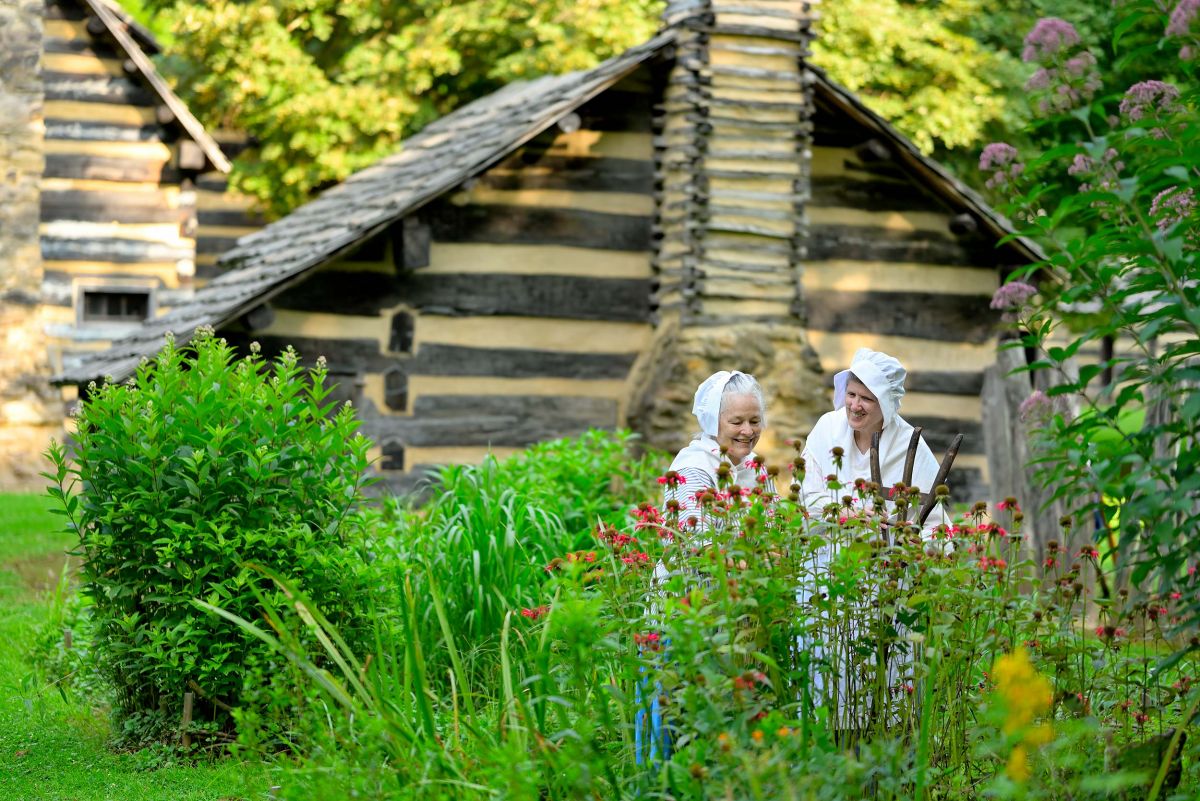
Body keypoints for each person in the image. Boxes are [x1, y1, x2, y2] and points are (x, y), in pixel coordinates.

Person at [636, 369, 771, 766]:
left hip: (735, 622)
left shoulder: (757, 470)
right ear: (714, 421)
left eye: (754, 420)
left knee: (721, 731)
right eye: (737, 421)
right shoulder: (694, 468)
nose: (747, 431)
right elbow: (694, 545)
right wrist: (749, 560)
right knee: (672, 727)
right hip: (684, 619)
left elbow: (775, 530)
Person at [800, 348, 947, 529]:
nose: (854, 406)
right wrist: (842, 512)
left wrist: (915, 541)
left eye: (866, 399)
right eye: (851, 394)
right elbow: (804, 492)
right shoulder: (828, 428)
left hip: (886, 555)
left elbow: (933, 521)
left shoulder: (909, 445)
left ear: (885, 404)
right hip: (827, 550)